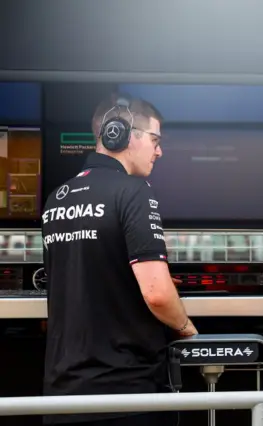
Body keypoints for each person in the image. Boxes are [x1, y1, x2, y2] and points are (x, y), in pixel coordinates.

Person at [41, 93, 197, 426]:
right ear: (121, 134)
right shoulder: (135, 191)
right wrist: (186, 329)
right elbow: (156, 293)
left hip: (61, 395)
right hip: (127, 394)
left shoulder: (56, 199)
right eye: (154, 140)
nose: (159, 151)